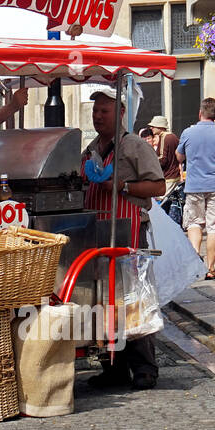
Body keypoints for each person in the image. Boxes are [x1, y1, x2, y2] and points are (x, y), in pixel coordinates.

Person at [81, 88, 166, 391]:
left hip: (129, 230)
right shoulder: (90, 149)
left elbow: (158, 187)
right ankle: (113, 368)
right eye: (95, 112)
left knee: (133, 298)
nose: (98, 116)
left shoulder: (134, 146)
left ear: (119, 114)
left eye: (104, 111)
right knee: (104, 299)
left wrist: (122, 187)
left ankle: (144, 369)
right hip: (98, 232)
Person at [175, 97, 215, 281]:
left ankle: (195, 263)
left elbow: (179, 157)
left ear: (200, 113)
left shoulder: (188, 132)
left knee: (194, 223)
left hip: (194, 185)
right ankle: (210, 268)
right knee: (214, 227)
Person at [146, 115, 179, 187]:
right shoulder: (173, 136)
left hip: (168, 177)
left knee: (162, 198)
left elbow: (162, 159)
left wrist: (147, 163)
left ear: (160, 126)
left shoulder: (164, 137)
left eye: (153, 126)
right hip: (175, 176)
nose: (151, 128)